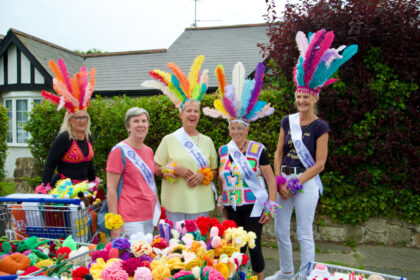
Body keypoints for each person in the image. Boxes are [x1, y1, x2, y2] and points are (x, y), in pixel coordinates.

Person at [267, 29, 358, 279]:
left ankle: (306, 275)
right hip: (284, 180)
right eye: (298, 96)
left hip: (305, 183)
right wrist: (279, 179)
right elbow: (277, 153)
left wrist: (297, 182)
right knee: (281, 230)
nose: (301, 101)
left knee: (304, 232)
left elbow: (320, 164)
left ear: (314, 97)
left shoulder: (321, 126)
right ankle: (287, 271)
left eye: (305, 97)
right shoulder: (287, 121)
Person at [203, 62, 278, 280]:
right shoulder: (224, 150)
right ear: (229, 129)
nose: (236, 131)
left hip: (255, 206)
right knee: (235, 249)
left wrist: (271, 206)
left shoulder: (258, 149)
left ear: (248, 128)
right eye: (232, 127)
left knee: (254, 247)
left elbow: (271, 180)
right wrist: (222, 204)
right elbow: (220, 178)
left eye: (240, 127)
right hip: (233, 206)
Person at [142, 55, 218, 224]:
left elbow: (214, 170)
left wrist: (203, 175)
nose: (192, 114)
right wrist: (175, 170)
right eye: (188, 111)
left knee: (199, 246)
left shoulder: (207, 141)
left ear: (199, 115)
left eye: (196, 111)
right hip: (174, 203)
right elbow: (156, 169)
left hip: (200, 202)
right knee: (174, 245)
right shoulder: (168, 140)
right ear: (181, 114)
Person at [41, 59, 98, 187]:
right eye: (78, 118)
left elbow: (89, 164)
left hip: (82, 188)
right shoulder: (64, 138)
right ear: (70, 120)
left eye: (85, 117)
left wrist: (93, 182)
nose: (82, 121)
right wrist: (44, 187)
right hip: (63, 190)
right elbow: (50, 164)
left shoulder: (88, 137)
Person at [105, 107, 161, 239]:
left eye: (144, 121)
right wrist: (115, 224)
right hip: (129, 217)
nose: (141, 125)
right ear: (128, 126)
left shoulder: (149, 151)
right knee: (135, 256)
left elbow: (151, 184)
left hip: (149, 214)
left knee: (149, 257)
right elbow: (111, 189)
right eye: (136, 121)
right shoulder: (119, 151)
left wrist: (158, 213)